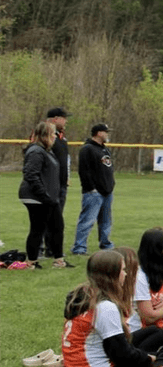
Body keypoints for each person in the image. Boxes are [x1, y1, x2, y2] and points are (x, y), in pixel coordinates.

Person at [60, 250, 153, 367]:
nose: (126, 274)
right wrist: (148, 358)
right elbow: (121, 355)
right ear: (112, 275)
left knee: (153, 333)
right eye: (123, 270)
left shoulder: (84, 294)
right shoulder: (105, 306)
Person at [19, 122, 71, 269]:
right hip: (37, 197)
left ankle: (58, 260)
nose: (55, 136)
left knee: (56, 226)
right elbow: (30, 174)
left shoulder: (46, 151)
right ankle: (32, 262)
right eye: (52, 134)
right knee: (38, 228)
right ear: (44, 135)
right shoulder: (36, 151)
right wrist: (43, 194)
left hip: (47, 197)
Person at [72, 123, 115, 256]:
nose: (107, 134)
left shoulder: (104, 149)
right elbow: (84, 171)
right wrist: (91, 188)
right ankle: (79, 248)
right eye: (105, 132)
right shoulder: (88, 149)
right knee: (87, 221)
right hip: (94, 193)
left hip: (107, 191)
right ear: (98, 133)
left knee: (106, 221)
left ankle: (106, 244)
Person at [43, 108, 70, 258]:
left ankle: (52, 249)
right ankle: (41, 249)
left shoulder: (61, 137)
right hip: (49, 185)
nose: (66, 121)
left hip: (61, 184)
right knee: (46, 218)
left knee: (57, 219)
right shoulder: (44, 136)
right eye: (64, 118)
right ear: (55, 119)